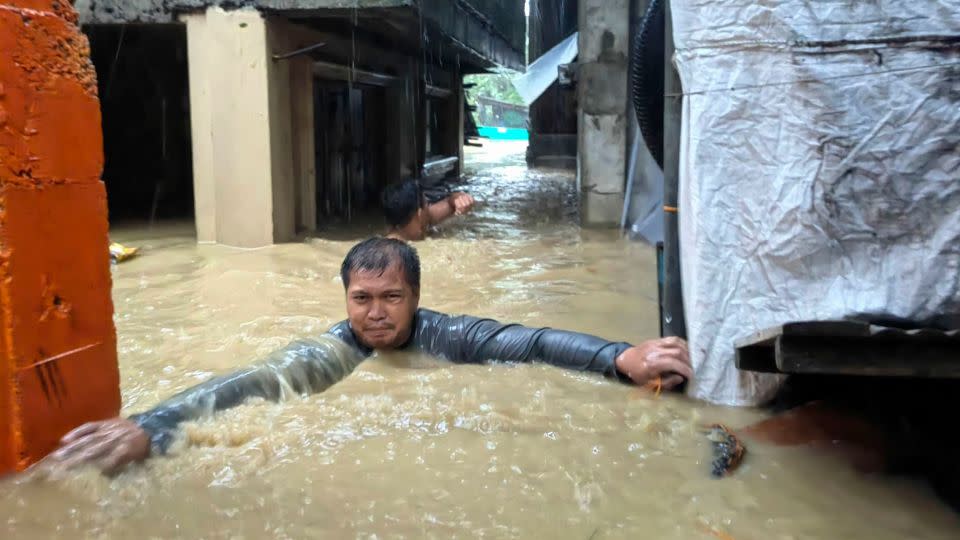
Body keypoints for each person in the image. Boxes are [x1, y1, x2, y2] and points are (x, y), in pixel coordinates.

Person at [44, 237, 692, 474]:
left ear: (416, 298)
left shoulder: (449, 335)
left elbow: (534, 342)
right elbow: (261, 381)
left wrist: (619, 357)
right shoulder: (339, 349)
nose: (375, 313)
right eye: (361, 298)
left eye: (391, 298)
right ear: (345, 298)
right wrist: (152, 428)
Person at [382, 178, 476, 241]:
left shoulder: (419, 219)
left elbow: (449, 202)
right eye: (427, 203)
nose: (430, 206)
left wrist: (460, 198)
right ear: (419, 214)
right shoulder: (400, 251)